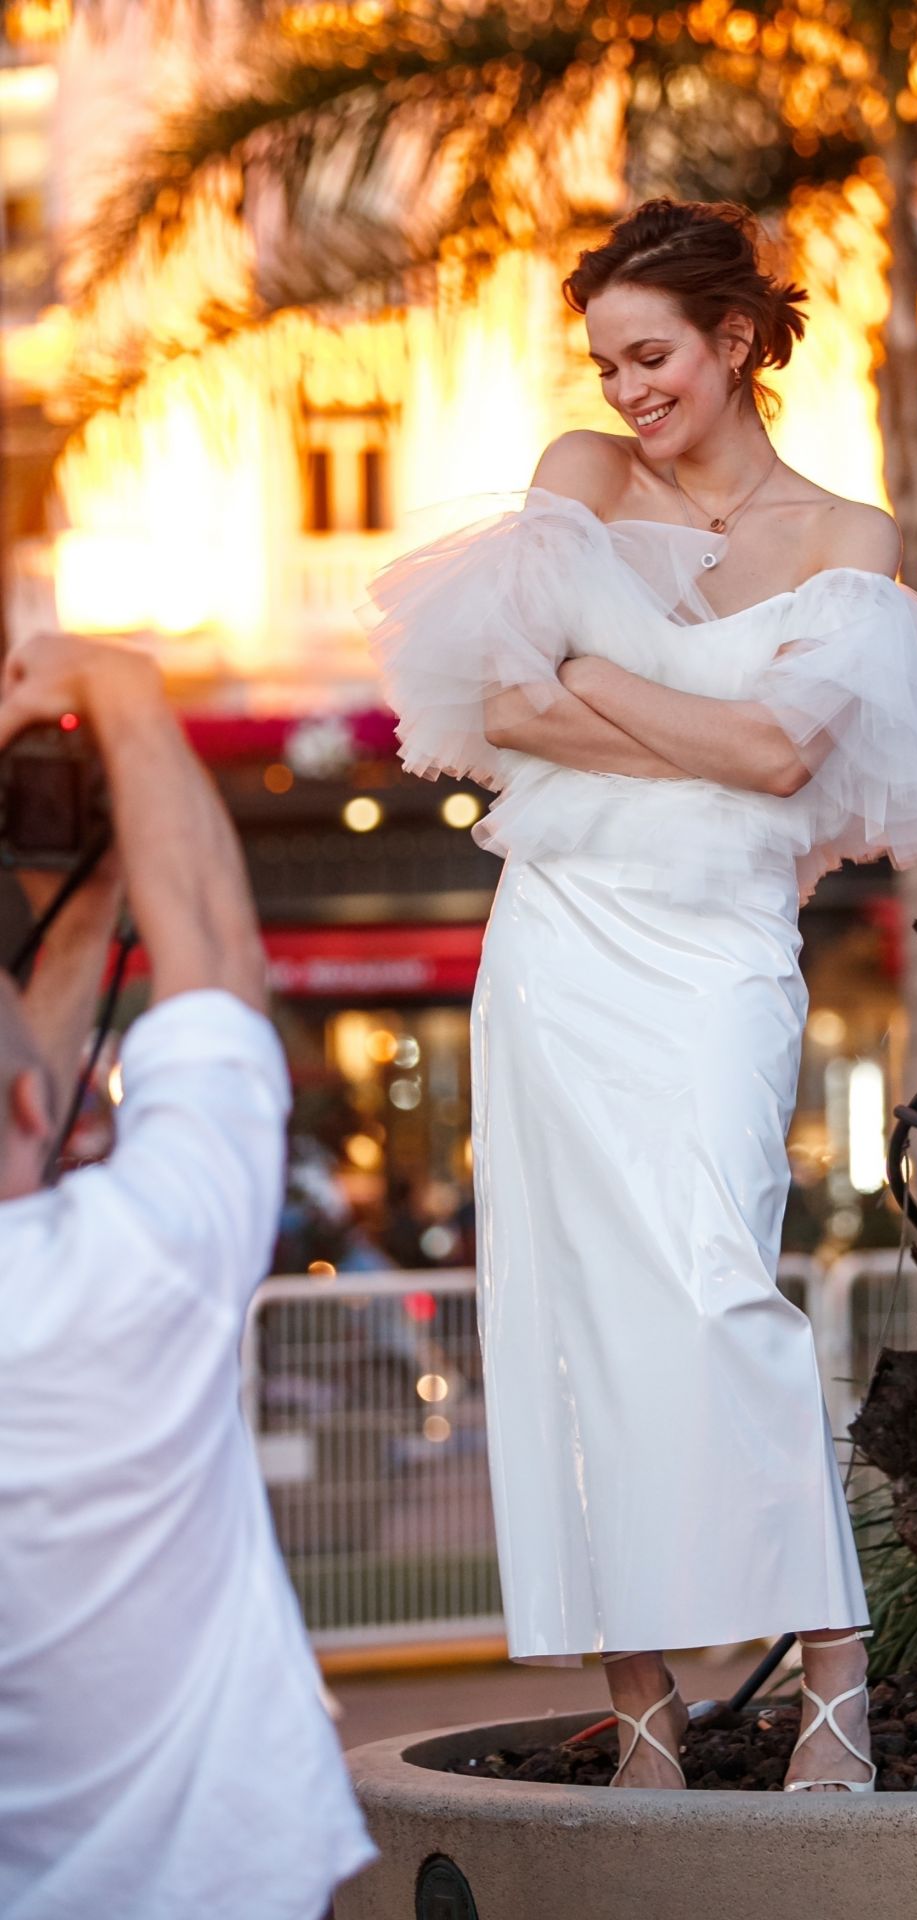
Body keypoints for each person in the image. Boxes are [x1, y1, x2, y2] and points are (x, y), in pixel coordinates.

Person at [365, 198, 917, 1793]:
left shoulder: (849, 538)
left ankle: (831, 1682)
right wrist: (669, 722)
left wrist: (599, 690)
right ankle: (644, 1711)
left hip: (716, 948)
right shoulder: (583, 476)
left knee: (722, 1286)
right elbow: (505, 700)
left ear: (733, 342)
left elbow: (785, 758)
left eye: (652, 353)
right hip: (560, 936)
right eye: (604, 358)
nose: (626, 386)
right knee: (566, 1312)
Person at [0, 634, 375, 1915]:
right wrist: (121, 699)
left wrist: (87, 888)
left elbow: (27, 1102)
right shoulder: (123, 1273)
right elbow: (215, 961)